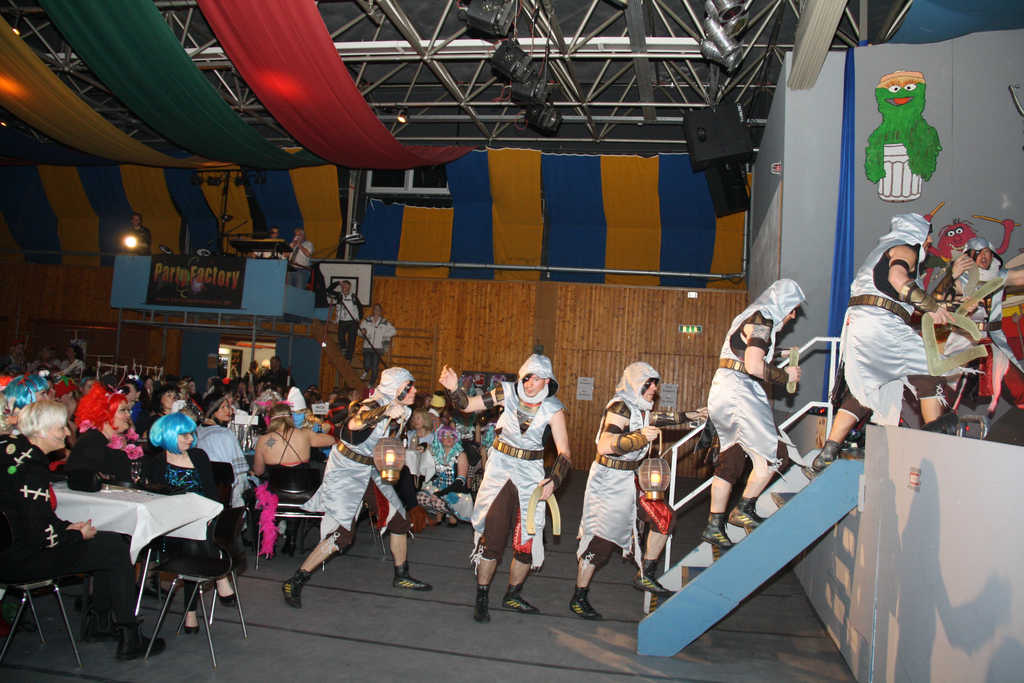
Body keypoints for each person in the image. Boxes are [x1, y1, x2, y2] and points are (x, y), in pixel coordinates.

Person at [0, 401, 165, 660]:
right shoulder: (32, 468)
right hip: (21, 560)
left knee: (107, 544)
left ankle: (101, 623)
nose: (67, 433)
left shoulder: (10, 451)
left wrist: (67, 527)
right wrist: (76, 534)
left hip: (10, 551)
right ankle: (128, 636)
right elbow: (41, 534)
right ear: (42, 431)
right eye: (61, 428)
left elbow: (29, 517)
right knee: (114, 548)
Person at [809, 214, 962, 476]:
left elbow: (901, 292)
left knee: (868, 388)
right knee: (931, 370)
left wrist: (937, 299)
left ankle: (827, 453)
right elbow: (898, 279)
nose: (930, 243)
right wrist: (932, 307)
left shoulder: (881, 252)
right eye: (928, 238)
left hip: (861, 325)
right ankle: (934, 441)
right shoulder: (905, 248)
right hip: (882, 324)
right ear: (918, 234)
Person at [281, 367, 431, 607]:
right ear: (395, 389)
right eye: (408, 387)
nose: (414, 390)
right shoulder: (373, 405)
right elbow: (354, 424)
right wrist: (385, 410)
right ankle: (295, 580)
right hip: (346, 470)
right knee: (342, 534)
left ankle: (401, 574)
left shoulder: (402, 409)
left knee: (399, 520)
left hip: (370, 469)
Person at [439, 354, 573, 623]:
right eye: (526, 378)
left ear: (547, 381)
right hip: (501, 469)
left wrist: (554, 479)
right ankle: (482, 595)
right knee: (493, 539)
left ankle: (513, 594)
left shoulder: (553, 408)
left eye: (536, 379)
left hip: (531, 474)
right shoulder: (506, 392)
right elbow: (468, 405)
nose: (530, 384)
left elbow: (565, 453)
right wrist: (454, 388)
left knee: (526, 542)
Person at [571, 362, 706, 619]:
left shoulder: (641, 409)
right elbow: (606, 445)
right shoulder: (620, 406)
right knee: (601, 543)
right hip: (609, 482)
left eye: (656, 383)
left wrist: (693, 415)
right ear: (635, 383)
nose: (654, 388)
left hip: (631, 479)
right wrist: (641, 437)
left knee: (664, 516)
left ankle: (646, 573)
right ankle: (579, 596)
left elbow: (663, 419)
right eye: (649, 383)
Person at [703, 279, 805, 549]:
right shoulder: (763, 320)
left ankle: (714, 524)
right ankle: (743, 509)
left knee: (731, 458)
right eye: (792, 308)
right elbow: (753, 365)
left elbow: (746, 349)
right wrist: (785, 375)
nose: (793, 315)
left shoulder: (750, 317)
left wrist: (780, 353)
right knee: (774, 455)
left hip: (724, 390)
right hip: (741, 392)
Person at [145, 413, 235, 633]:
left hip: (203, 519)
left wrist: (209, 514)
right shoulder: (157, 463)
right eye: (183, 435)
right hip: (172, 527)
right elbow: (158, 503)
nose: (190, 439)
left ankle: (191, 612)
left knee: (196, 543)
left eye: (191, 434)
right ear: (168, 435)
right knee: (194, 543)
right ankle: (220, 574)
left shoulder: (198, 456)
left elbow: (211, 493)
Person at [942, 237, 1024, 411]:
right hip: (966, 341)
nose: (983, 256)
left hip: (993, 340)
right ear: (968, 256)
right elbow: (940, 300)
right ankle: (941, 420)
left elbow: (1019, 277)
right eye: (978, 253)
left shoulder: (999, 276)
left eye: (986, 252)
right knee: (954, 387)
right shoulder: (960, 280)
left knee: (1016, 383)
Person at [252, 403, 336, 556]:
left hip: (276, 494)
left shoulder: (265, 440)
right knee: (295, 492)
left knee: (261, 491)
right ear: (291, 418)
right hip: (305, 493)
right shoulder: (304, 435)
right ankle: (291, 539)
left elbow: (259, 471)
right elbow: (331, 440)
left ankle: (267, 542)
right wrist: (316, 430)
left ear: (271, 420)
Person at [65, 383, 136, 482]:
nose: (128, 414)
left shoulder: (108, 440)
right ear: (105, 414)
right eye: (123, 410)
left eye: (128, 410)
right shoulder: (91, 442)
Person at [197, 391, 250, 507]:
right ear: (212, 410)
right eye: (223, 407)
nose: (229, 411)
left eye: (229, 406)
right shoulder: (225, 434)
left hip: (203, 492)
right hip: (224, 493)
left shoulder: (197, 431)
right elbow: (239, 475)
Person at [417, 425, 473, 526]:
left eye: (451, 436)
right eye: (445, 436)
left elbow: (460, 481)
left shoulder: (461, 455)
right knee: (420, 498)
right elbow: (427, 445)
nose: (448, 438)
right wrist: (423, 446)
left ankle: (452, 515)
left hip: (455, 491)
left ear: (455, 438)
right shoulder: (437, 453)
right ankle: (440, 514)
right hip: (438, 487)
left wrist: (440, 493)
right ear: (440, 439)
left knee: (440, 500)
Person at [327, 279, 364, 362]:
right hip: (342, 321)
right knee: (341, 337)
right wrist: (337, 283)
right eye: (343, 286)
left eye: (346, 286)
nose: (344, 287)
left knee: (352, 340)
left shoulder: (353, 297)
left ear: (349, 287)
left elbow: (360, 308)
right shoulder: (339, 296)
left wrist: (359, 319)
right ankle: (343, 350)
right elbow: (328, 290)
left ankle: (349, 358)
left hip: (352, 322)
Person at [359, 303, 396, 384]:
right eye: (375, 309)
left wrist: (383, 335)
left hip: (378, 348)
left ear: (380, 311)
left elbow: (393, 331)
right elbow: (359, 331)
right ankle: (366, 370)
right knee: (366, 364)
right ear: (373, 310)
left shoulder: (384, 322)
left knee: (375, 367)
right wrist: (363, 332)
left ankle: (371, 383)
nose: (376, 311)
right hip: (367, 346)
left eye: (378, 309)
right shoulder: (367, 320)